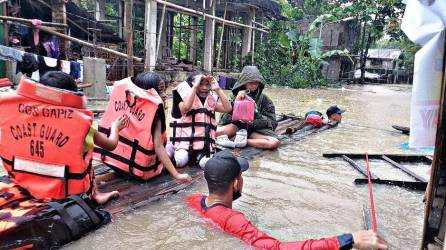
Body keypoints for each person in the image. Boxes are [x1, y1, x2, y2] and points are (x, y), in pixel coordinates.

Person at [187, 150, 388, 250]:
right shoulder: (234, 220)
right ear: (235, 183)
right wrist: (348, 239)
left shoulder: (194, 201)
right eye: (241, 176)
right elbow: (277, 249)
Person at [0, 71, 121, 205]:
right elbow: (111, 145)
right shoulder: (81, 125)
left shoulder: (15, 115)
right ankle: (95, 195)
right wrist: (116, 127)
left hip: (23, 183)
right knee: (85, 153)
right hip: (66, 193)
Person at [94, 72, 191, 182]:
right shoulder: (154, 113)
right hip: (141, 170)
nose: (164, 95)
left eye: (164, 90)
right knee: (176, 154)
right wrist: (177, 175)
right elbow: (158, 147)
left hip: (116, 162)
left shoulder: (126, 99)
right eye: (159, 91)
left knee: (169, 147)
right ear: (147, 91)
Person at [170, 71, 232, 169]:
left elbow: (227, 108)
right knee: (180, 161)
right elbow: (185, 108)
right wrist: (195, 87)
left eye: (207, 84)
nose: (204, 88)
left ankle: (202, 157)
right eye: (200, 84)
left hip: (204, 147)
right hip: (185, 145)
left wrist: (218, 89)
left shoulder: (211, 100)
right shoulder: (184, 98)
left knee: (207, 164)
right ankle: (170, 149)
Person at [216, 66, 280, 150]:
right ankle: (236, 138)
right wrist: (236, 102)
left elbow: (272, 123)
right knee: (214, 133)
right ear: (244, 83)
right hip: (236, 128)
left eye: (256, 83)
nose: (254, 85)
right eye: (250, 83)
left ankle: (242, 141)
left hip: (254, 131)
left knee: (274, 143)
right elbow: (223, 120)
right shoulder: (234, 97)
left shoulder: (265, 100)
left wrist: (254, 119)